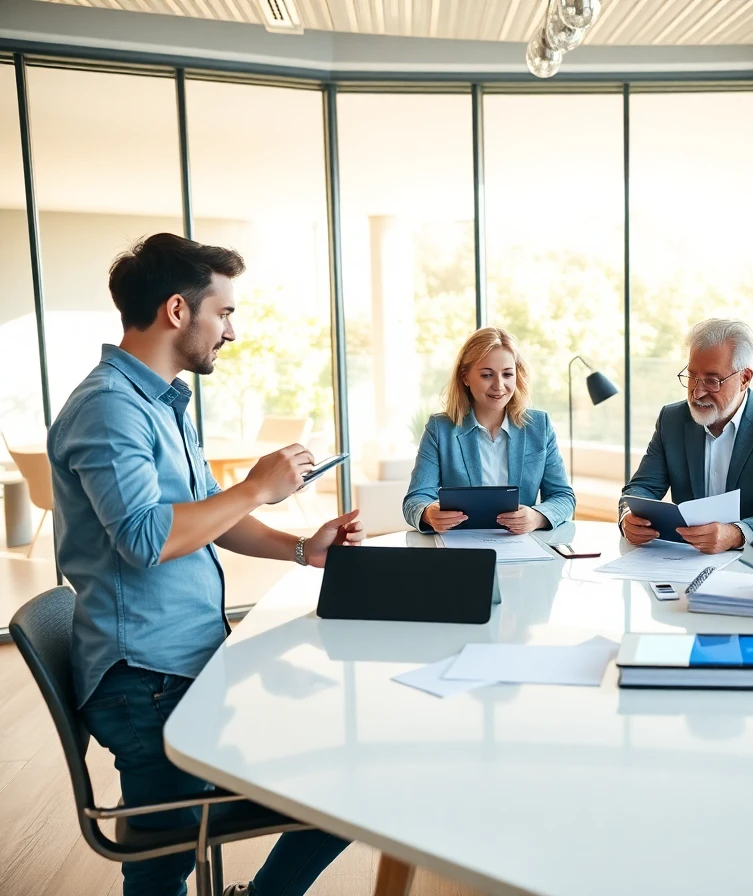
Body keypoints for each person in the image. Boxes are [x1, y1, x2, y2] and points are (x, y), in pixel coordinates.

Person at [49, 233, 362, 896]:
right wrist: (254, 487)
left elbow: (203, 520)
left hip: (185, 663)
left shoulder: (161, 402)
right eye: (224, 313)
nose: (231, 333)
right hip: (147, 682)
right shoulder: (110, 408)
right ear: (176, 311)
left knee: (349, 777)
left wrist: (303, 550)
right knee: (164, 869)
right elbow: (146, 538)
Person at [620, 318, 753, 553]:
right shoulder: (672, 419)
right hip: (685, 560)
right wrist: (628, 516)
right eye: (692, 377)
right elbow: (642, 488)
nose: (697, 392)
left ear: (744, 379)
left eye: (711, 380)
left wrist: (736, 534)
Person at [403, 327, 576, 534]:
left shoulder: (539, 426)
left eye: (507, 374)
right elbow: (415, 499)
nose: (499, 385)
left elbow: (563, 496)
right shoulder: (440, 429)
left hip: (522, 549)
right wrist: (428, 513)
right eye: (487, 375)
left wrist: (536, 518)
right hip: (461, 548)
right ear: (465, 377)